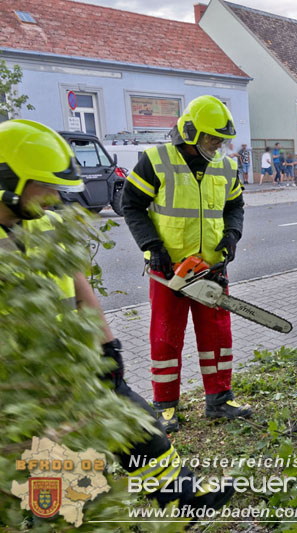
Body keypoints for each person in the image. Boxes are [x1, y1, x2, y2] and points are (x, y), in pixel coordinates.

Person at [0, 119, 234, 511]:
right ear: (7, 182)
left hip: (74, 364)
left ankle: (183, 498)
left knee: (138, 423)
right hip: (21, 388)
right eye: (46, 186)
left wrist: (108, 348)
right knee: (56, 479)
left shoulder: (45, 223)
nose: (55, 198)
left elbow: (78, 287)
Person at [122, 95, 250, 432]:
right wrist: (152, 247)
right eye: (211, 138)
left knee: (218, 334)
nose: (217, 145)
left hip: (210, 268)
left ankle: (220, 399)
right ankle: (165, 405)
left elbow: (235, 206)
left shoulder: (225, 165)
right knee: (166, 337)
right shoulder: (155, 160)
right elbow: (131, 205)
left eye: (221, 139)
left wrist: (232, 235)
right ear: (190, 132)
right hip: (169, 271)